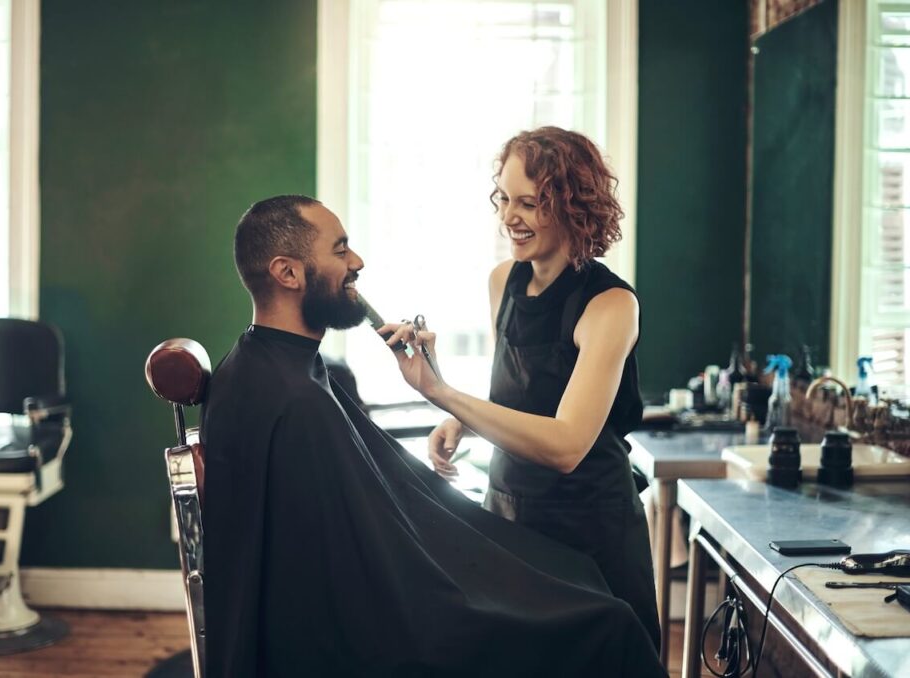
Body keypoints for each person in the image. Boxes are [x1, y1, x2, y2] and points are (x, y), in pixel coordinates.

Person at [200, 194, 665, 677]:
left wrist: (442, 395)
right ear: (288, 274)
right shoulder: (294, 399)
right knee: (606, 624)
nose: (357, 262)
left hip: (572, 520)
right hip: (385, 631)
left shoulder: (274, 372)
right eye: (340, 251)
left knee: (579, 584)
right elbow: (363, 568)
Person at [379, 127, 660, 648]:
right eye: (504, 199)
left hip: (591, 527)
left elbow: (566, 445)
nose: (509, 217)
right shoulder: (503, 280)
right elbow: (518, 391)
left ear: (575, 207)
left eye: (529, 203)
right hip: (509, 511)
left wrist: (442, 394)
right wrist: (460, 420)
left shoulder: (610, 306)